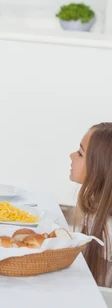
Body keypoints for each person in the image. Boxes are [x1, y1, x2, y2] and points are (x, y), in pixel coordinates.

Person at [70, 122, 112, 287]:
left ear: (99, 168)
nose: (71, 155)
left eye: (80, 153)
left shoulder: (108, 229)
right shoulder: (95, 205)